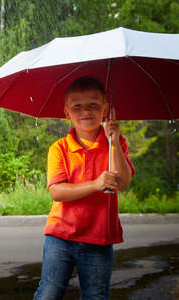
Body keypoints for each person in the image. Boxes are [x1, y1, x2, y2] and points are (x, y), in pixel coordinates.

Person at [33, 76, 135, 300]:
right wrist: (95, 184)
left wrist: (114, 141)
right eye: (77, 106)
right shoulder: (59, 148)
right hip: (60, 236)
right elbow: (57, 191)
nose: (85, 111)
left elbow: (124, 181)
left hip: (99, 238)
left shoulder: (116, 144)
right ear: (67, 113)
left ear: (105, 109)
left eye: (93, 105)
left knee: (95, 296)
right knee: (48, 293)